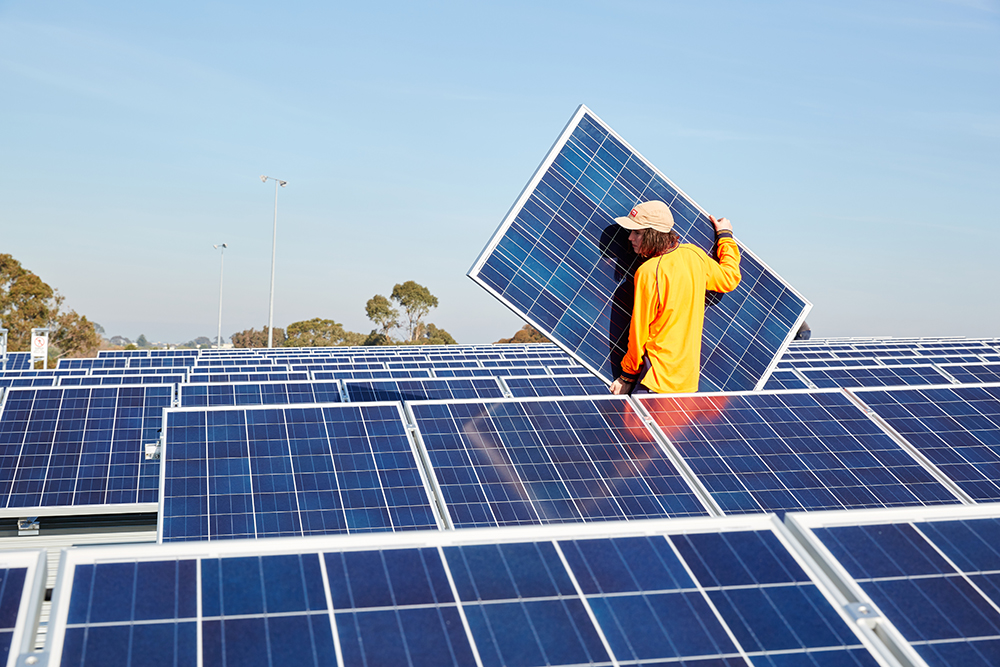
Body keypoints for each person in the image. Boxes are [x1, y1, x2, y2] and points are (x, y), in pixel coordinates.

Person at [609, 200, 742, 394]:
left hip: (655, 380)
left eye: (637, 232)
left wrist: (627, 376)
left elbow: (639, 332)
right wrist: (725, 236)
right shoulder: (694, 256)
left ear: (653, 234)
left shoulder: (648, 272)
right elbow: (729, 277)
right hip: (687, 384)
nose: (630, 238)